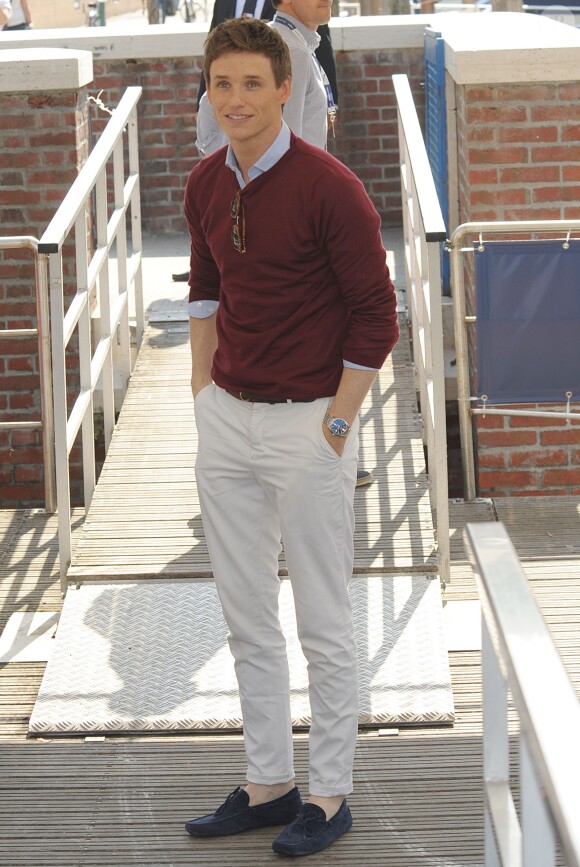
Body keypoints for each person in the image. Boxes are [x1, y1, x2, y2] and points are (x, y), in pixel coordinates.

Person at [183, 18, 399, 858]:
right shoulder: (206, 182)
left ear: (284, 91)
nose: (234, 99)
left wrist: (337, 424)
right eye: (220, 84)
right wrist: (203, 396)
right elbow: (204, 293)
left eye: (250, 84)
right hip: (227, 421)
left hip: (310, 423)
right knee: (247, 617)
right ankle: (269, 781)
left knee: (323, 619)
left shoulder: (329, 185)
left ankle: (330, 792)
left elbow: (377, 317)